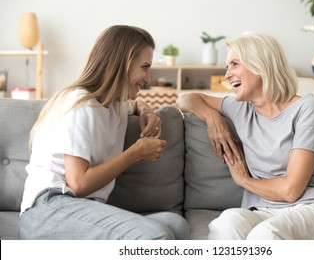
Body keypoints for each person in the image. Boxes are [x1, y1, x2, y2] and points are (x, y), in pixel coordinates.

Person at [176, 33, 314, 240]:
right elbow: (185, 99)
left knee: (266, 234)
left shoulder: (307, 108)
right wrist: (212, 119)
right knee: (226, 223)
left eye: (234, 64)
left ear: (260, 65)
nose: (227, 75)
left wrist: (243, 179)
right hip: (264, 211)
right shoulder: (240, 108)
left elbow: (290, 190)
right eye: (227, 67)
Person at [19, 25, 190, 240]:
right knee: (156, 236)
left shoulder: (114, 104)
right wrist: (136, 153)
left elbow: (136, 104)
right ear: (121, 64)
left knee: (177, 225)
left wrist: (146, 110)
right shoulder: (79, 103)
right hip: (48, 208)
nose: (148, 78)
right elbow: (78, 184)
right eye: (144, 67)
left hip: (82, 208)